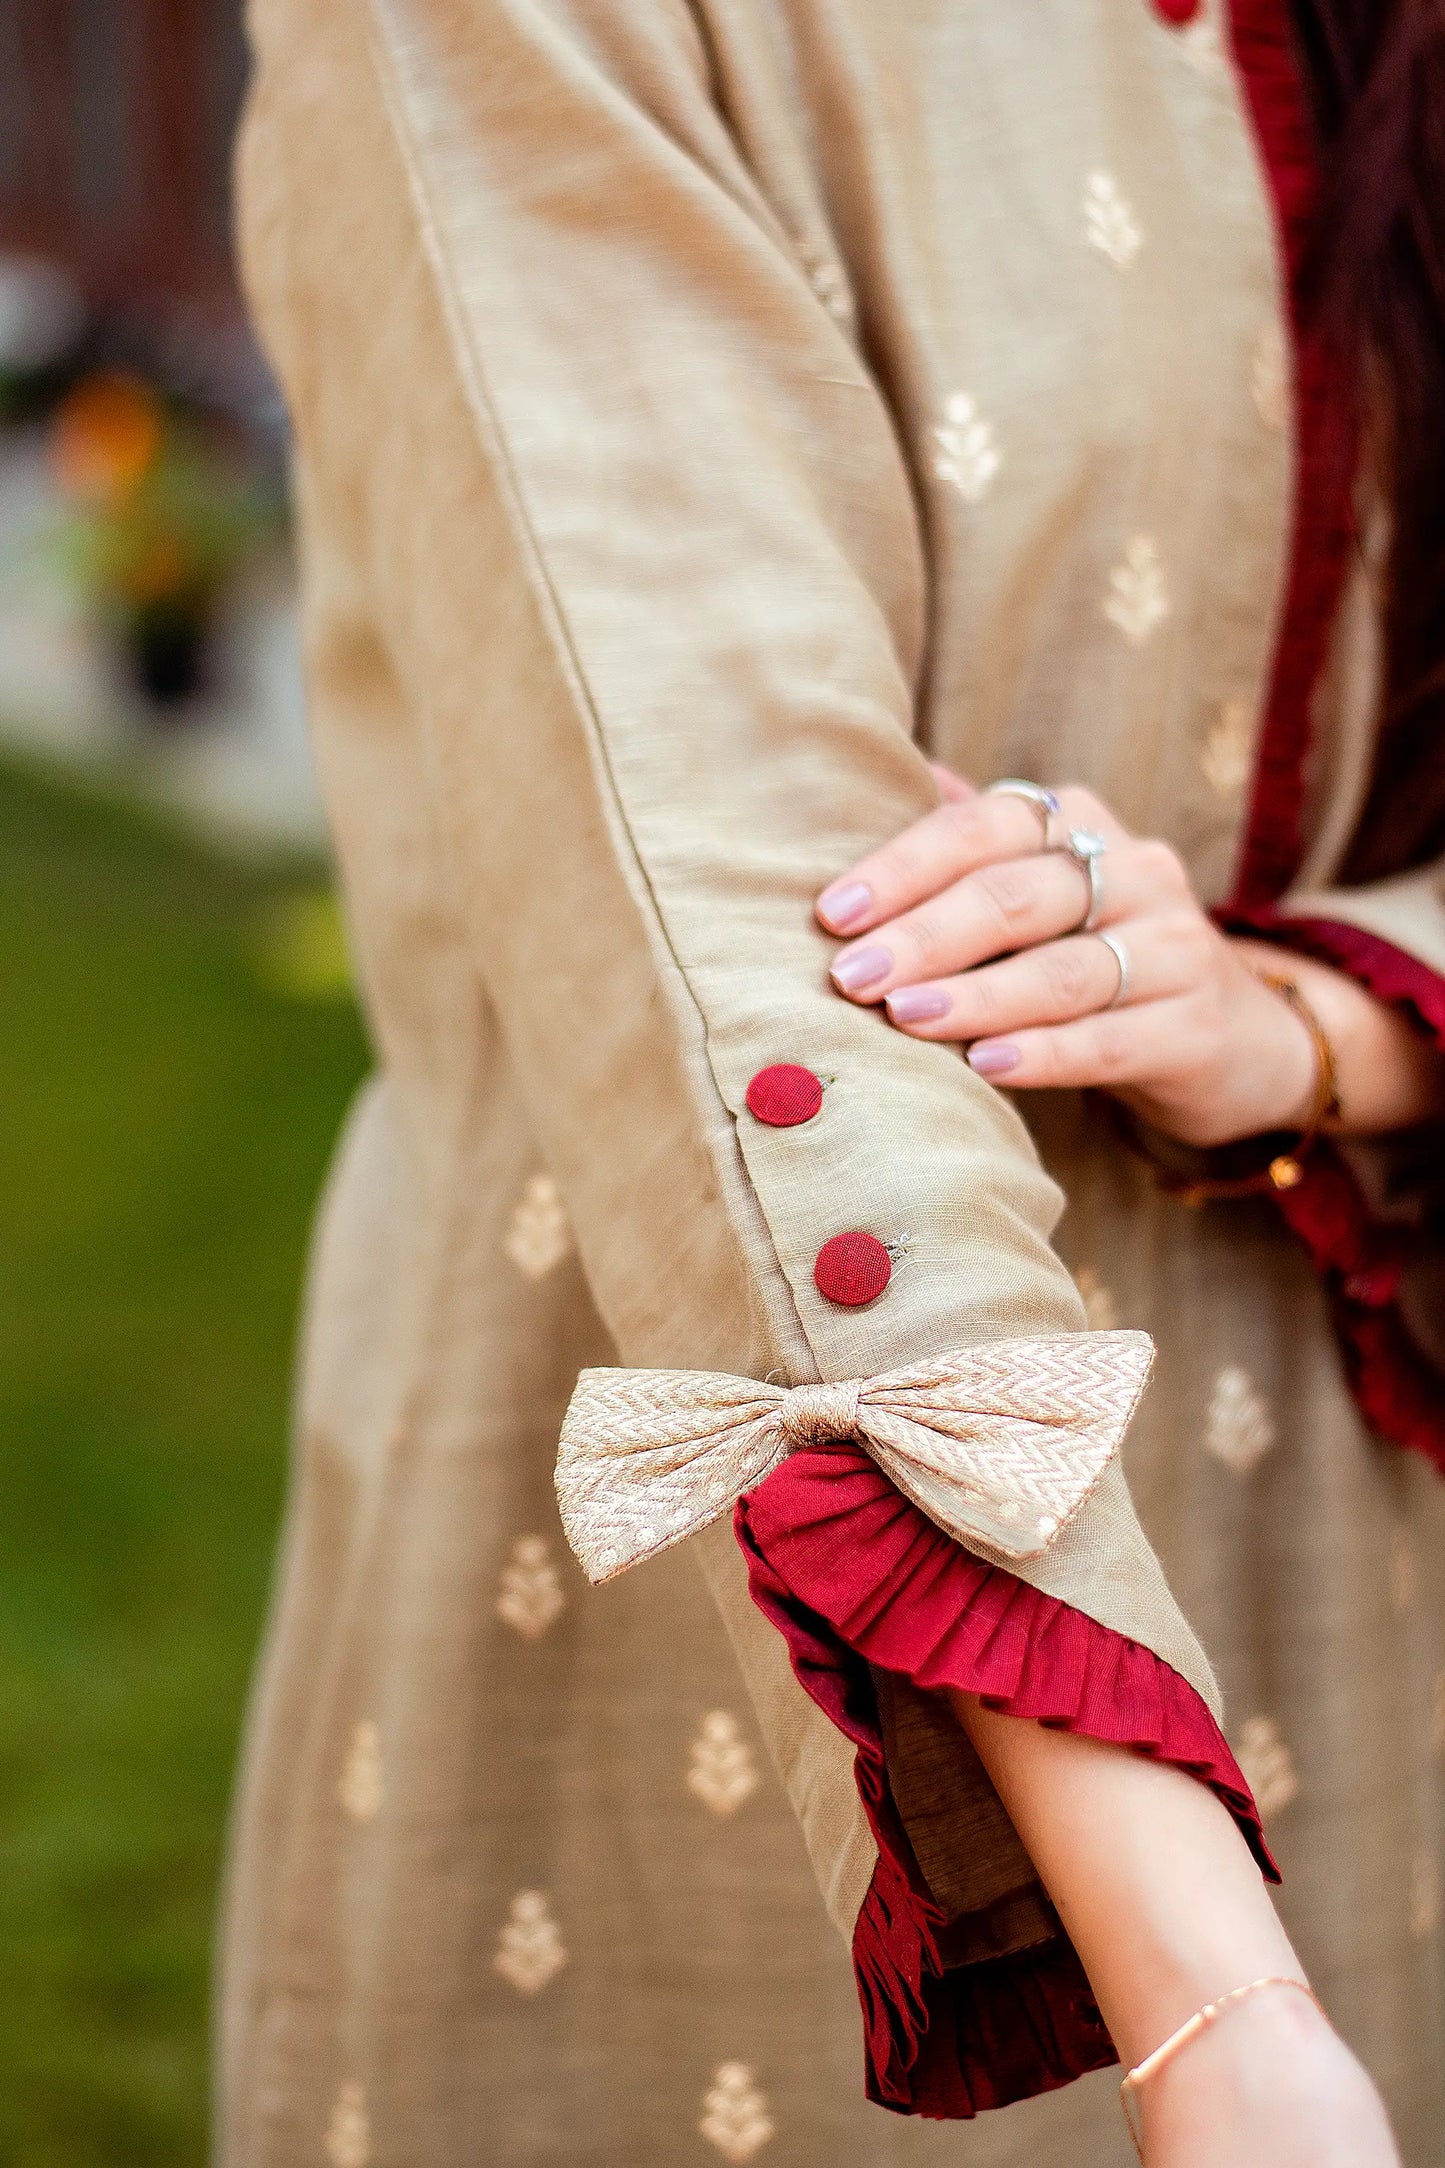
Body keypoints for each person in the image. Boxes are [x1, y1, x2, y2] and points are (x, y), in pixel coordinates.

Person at [221, 1, 1445, 2162]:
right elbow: (733, 892)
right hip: (778, 1630)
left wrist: (1310, 1021)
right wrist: (1220, 2011)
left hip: (1365, 1540)